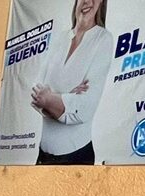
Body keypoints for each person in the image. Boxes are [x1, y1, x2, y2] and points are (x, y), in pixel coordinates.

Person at [33, 0, 113, 165]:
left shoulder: (103, 39)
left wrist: (49, 99)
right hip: (42, 156)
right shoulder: (60, 38)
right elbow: (35, 95)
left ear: (102, 3)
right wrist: (66, 97)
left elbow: (84, 108)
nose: (87, 2)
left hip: (76, 157)